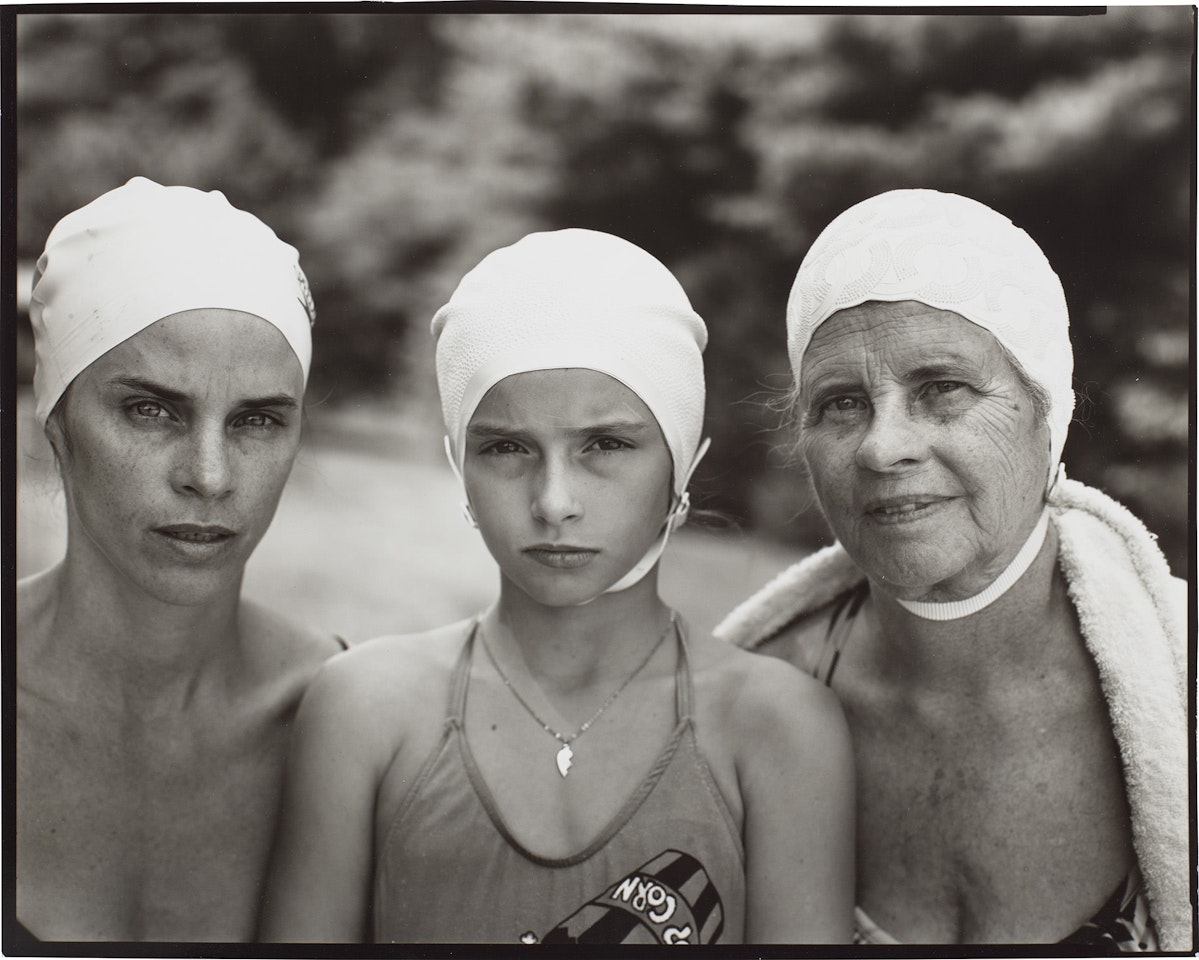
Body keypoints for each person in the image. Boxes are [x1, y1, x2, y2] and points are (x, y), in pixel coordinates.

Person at [260, 229, 854, 944]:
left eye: (605, 445)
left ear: (682, 463)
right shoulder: (365, 708)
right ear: (459, 465)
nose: (553, 500)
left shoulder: (778, 728)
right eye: (506, 448)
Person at [716, 189, 1190, 950]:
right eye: (840, 404)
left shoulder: (1180, 681)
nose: (881, 447)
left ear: (1049, 412)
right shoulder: (750, 709)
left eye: (941, 389)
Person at [16, 178, 345, 942]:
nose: (209, 474)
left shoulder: (349, 723)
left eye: (257, 420)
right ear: (57, 418)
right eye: (151, 410)